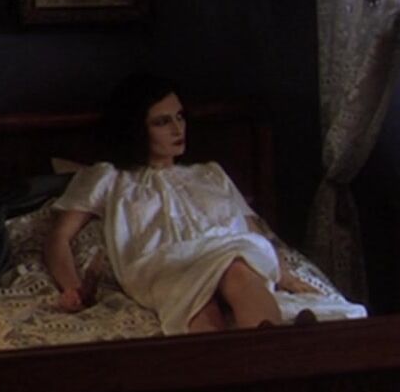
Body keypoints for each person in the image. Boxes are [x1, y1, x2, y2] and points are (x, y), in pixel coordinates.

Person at [44, 74, 318, 333]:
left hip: (228, 253)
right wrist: (73, 288)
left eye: (180, 117)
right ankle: (241, 353)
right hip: (165, 264)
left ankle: (269, 345)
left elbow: (254, 232)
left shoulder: (211, 174)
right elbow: (59, 238)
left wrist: (286, 277)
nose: (177, 129)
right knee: (198, 298)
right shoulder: (110, 177)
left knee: (239, 267)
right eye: (162, 122)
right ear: (137, 129)